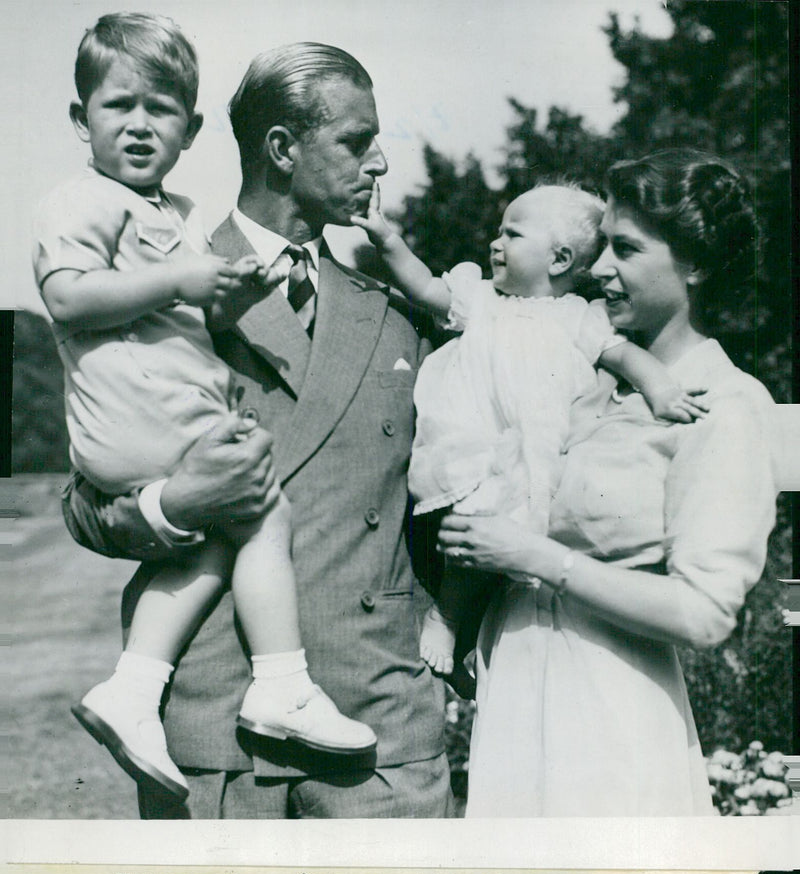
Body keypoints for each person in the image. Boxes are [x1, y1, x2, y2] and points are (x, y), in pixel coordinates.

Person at [61, 41, 452, 819]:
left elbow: (459, 491)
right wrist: (173, 505)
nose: (379, 164)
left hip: (378, 733)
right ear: (282, 148)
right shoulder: (161, 287)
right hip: (214, 737)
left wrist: (447, 626)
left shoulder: (400, 310)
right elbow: (83, 504)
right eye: (355, 141)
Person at [436, 149, 779, 817]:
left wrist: (536, 558)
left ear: (696, 264)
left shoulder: (724, 404)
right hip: (515, 698)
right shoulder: (590, 380)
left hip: (610, 723)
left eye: (625, 248)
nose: (598, 268)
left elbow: (703, 612)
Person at [355, 181, 708, 675]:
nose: (495, 243)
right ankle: (447, 615)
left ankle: (476, 639)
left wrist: (660, 387)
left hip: (536, 458)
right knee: (476, 529)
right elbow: (427, 288)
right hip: (474, 446)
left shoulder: (579, 318)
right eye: (499, 232)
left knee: (512, 551)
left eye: (512, 234)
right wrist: (387, 240)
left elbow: (624, 355)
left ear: (559, 259)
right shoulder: (480, 299)